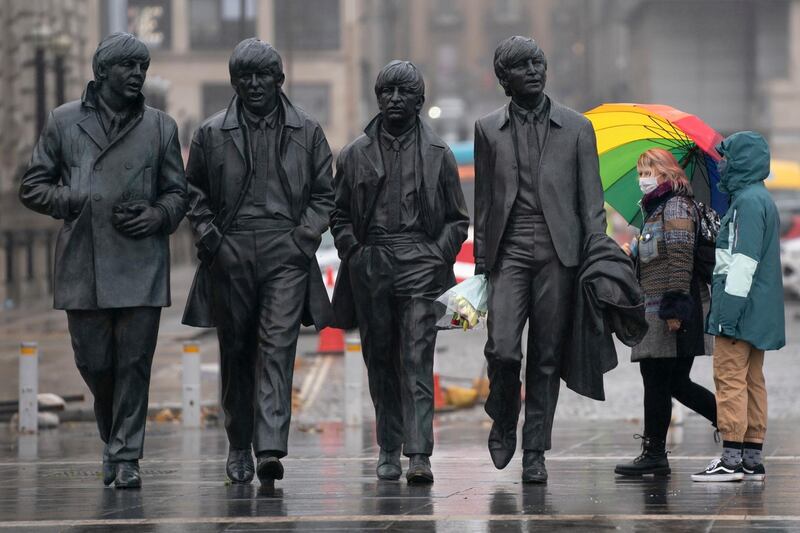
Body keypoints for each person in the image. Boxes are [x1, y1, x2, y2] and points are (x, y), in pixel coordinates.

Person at [19, 33, 187, 488]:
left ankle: (126, 455)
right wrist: (73, 198)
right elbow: (32, 186)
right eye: (128, 67)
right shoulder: (64, 121)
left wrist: (157, 214)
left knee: (135, 363)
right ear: (102, 72)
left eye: (143, 67)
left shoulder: (160, 127)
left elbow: (179, 193)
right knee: (95, 364)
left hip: (141, 262)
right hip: (83, 263)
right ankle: (114, 439)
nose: (137, 75)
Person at [183, 38, 334, 485]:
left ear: (278, 79)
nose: (253, 84)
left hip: (285, 252)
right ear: (233, 82)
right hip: (230, 252)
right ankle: (238, 444)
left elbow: (325, 194)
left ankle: (269, 446)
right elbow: (194, 194)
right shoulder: (211, 133)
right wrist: (212, 239)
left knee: (277, 345)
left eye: (262, 75)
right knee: (237, 350)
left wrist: (302, 237)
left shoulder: (307, 131)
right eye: (244, 76)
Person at [473, 36, 606, 483]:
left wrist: (596, 259)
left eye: (538, 62)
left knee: (546, 356)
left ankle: (535, 451)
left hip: (559, 252)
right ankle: (504, 414)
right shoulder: (488, 129)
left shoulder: (577, 128)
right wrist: (480, 263)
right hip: (508, 251)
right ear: (504, 79)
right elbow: (485, 203)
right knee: (504, 349)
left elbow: (591, 203)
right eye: (521, 65)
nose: (533, 70)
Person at [331, 61, 469, 483]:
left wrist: (435, 255)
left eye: (403, 92)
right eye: (387, 91)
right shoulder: (354, 154)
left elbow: (457, 219)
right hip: (373, 265)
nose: (393, 99)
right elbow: (338, 216)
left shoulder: (439, 154)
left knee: (416, 360)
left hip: (420, 266)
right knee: (380, 361)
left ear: (419, 101)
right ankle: (388, 447)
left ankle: (419, 453)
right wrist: (356, 253)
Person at [614, 148, 717, 478]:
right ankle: (655, 452)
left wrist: (675, 311)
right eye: (640, 171)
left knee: (669, 381)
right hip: (656, 309)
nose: (642, 178)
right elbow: (656, 258)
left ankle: (729, 423)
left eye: (649, 171)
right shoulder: (655, 209)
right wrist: (633, 254)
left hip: (673, 310)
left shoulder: (674, 207)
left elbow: (680, 261)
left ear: (667, 173)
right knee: (660, 381)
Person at [692, 131, 785, 482]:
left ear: (742, 162)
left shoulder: (746, 202)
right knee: (752, 380)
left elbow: (742, 263)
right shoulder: (761, 199)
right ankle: (751, 458)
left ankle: (730, 459)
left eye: (728, 158)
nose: (723, 164)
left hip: (740, 311)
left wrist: (725, 315)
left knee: (729, 378)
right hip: (759, 312)